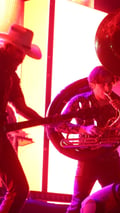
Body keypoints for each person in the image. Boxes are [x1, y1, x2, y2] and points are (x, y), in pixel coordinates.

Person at [55, 66, 120, 213]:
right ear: (93, 84)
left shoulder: (119, 103)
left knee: (117, 201)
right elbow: (58, 125)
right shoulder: (80, 101)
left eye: (110, 83)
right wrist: (83, 129)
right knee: (78, 203)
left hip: (110, 158)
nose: (108, 88)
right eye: (103, 84)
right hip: (87, 158)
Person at [0, 24, 42, 212]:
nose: (21, 58)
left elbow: (22, 107)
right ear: (8, 47)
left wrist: (47, 120)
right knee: (18, 187)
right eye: (19, 52)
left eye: (23, 53)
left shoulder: (12, 77)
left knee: (20, 188)